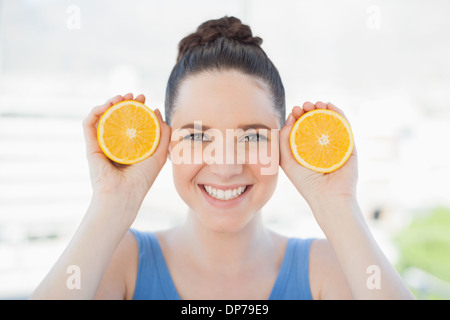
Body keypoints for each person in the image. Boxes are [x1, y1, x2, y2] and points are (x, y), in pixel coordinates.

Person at [31, 16, 414, 300]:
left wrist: (338, 204)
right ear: (165, 141)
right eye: (197, 135)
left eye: (251, 136)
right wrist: (112, 203)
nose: (226, 165)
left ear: (284, 142)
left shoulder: (327, 270)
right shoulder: (122, 263)